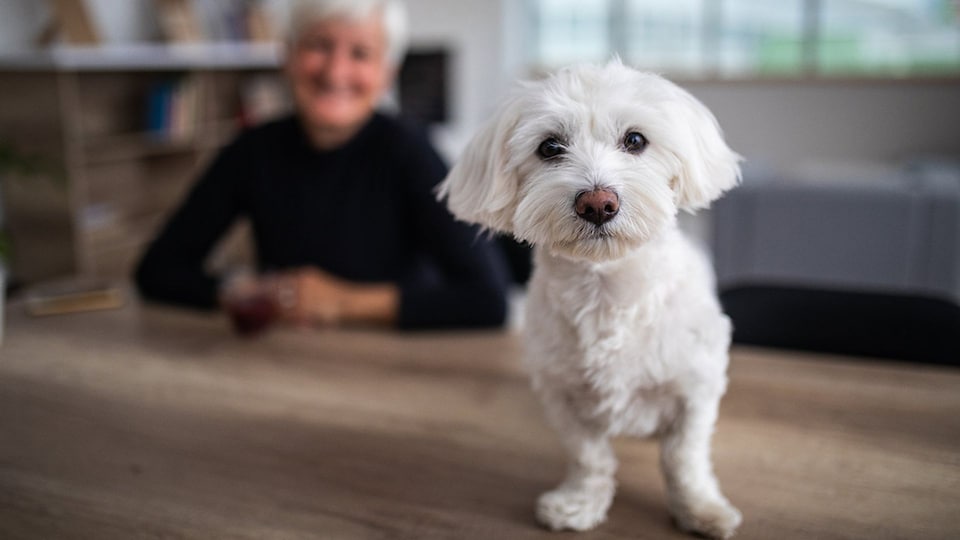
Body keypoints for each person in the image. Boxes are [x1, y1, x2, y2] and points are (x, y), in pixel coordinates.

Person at [134, 0, 509, 331]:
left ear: (386, 73)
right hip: (285, 359)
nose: (335, 72)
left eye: (360, 53)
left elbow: (488, 299)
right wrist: (234, 289)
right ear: (288, 55)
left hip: (396, 364)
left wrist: (342, 303)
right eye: (319, 45)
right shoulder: (250, 150)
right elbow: (156, 270)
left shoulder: (411, 151)